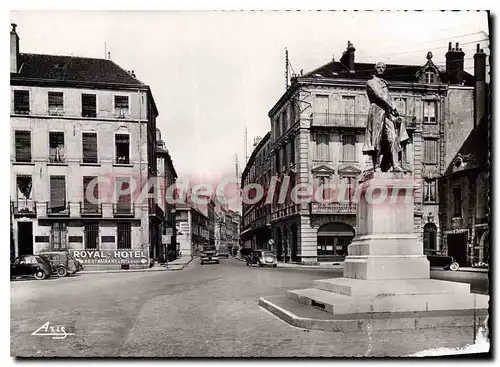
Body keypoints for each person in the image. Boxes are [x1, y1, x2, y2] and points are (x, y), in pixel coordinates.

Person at [362, 62, 409, 172]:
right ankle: (377, 166)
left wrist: (395, 110)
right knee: (376, 139)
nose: (381, 69)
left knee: (393, 137)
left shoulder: (385, 83)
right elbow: (380, 95)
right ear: (375, 69)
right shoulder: (371, 82)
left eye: (383, 67)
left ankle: (395, 164)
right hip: (376, 112)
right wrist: (393, 107)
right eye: (379, 67)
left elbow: (389, 97)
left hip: (387, 113)